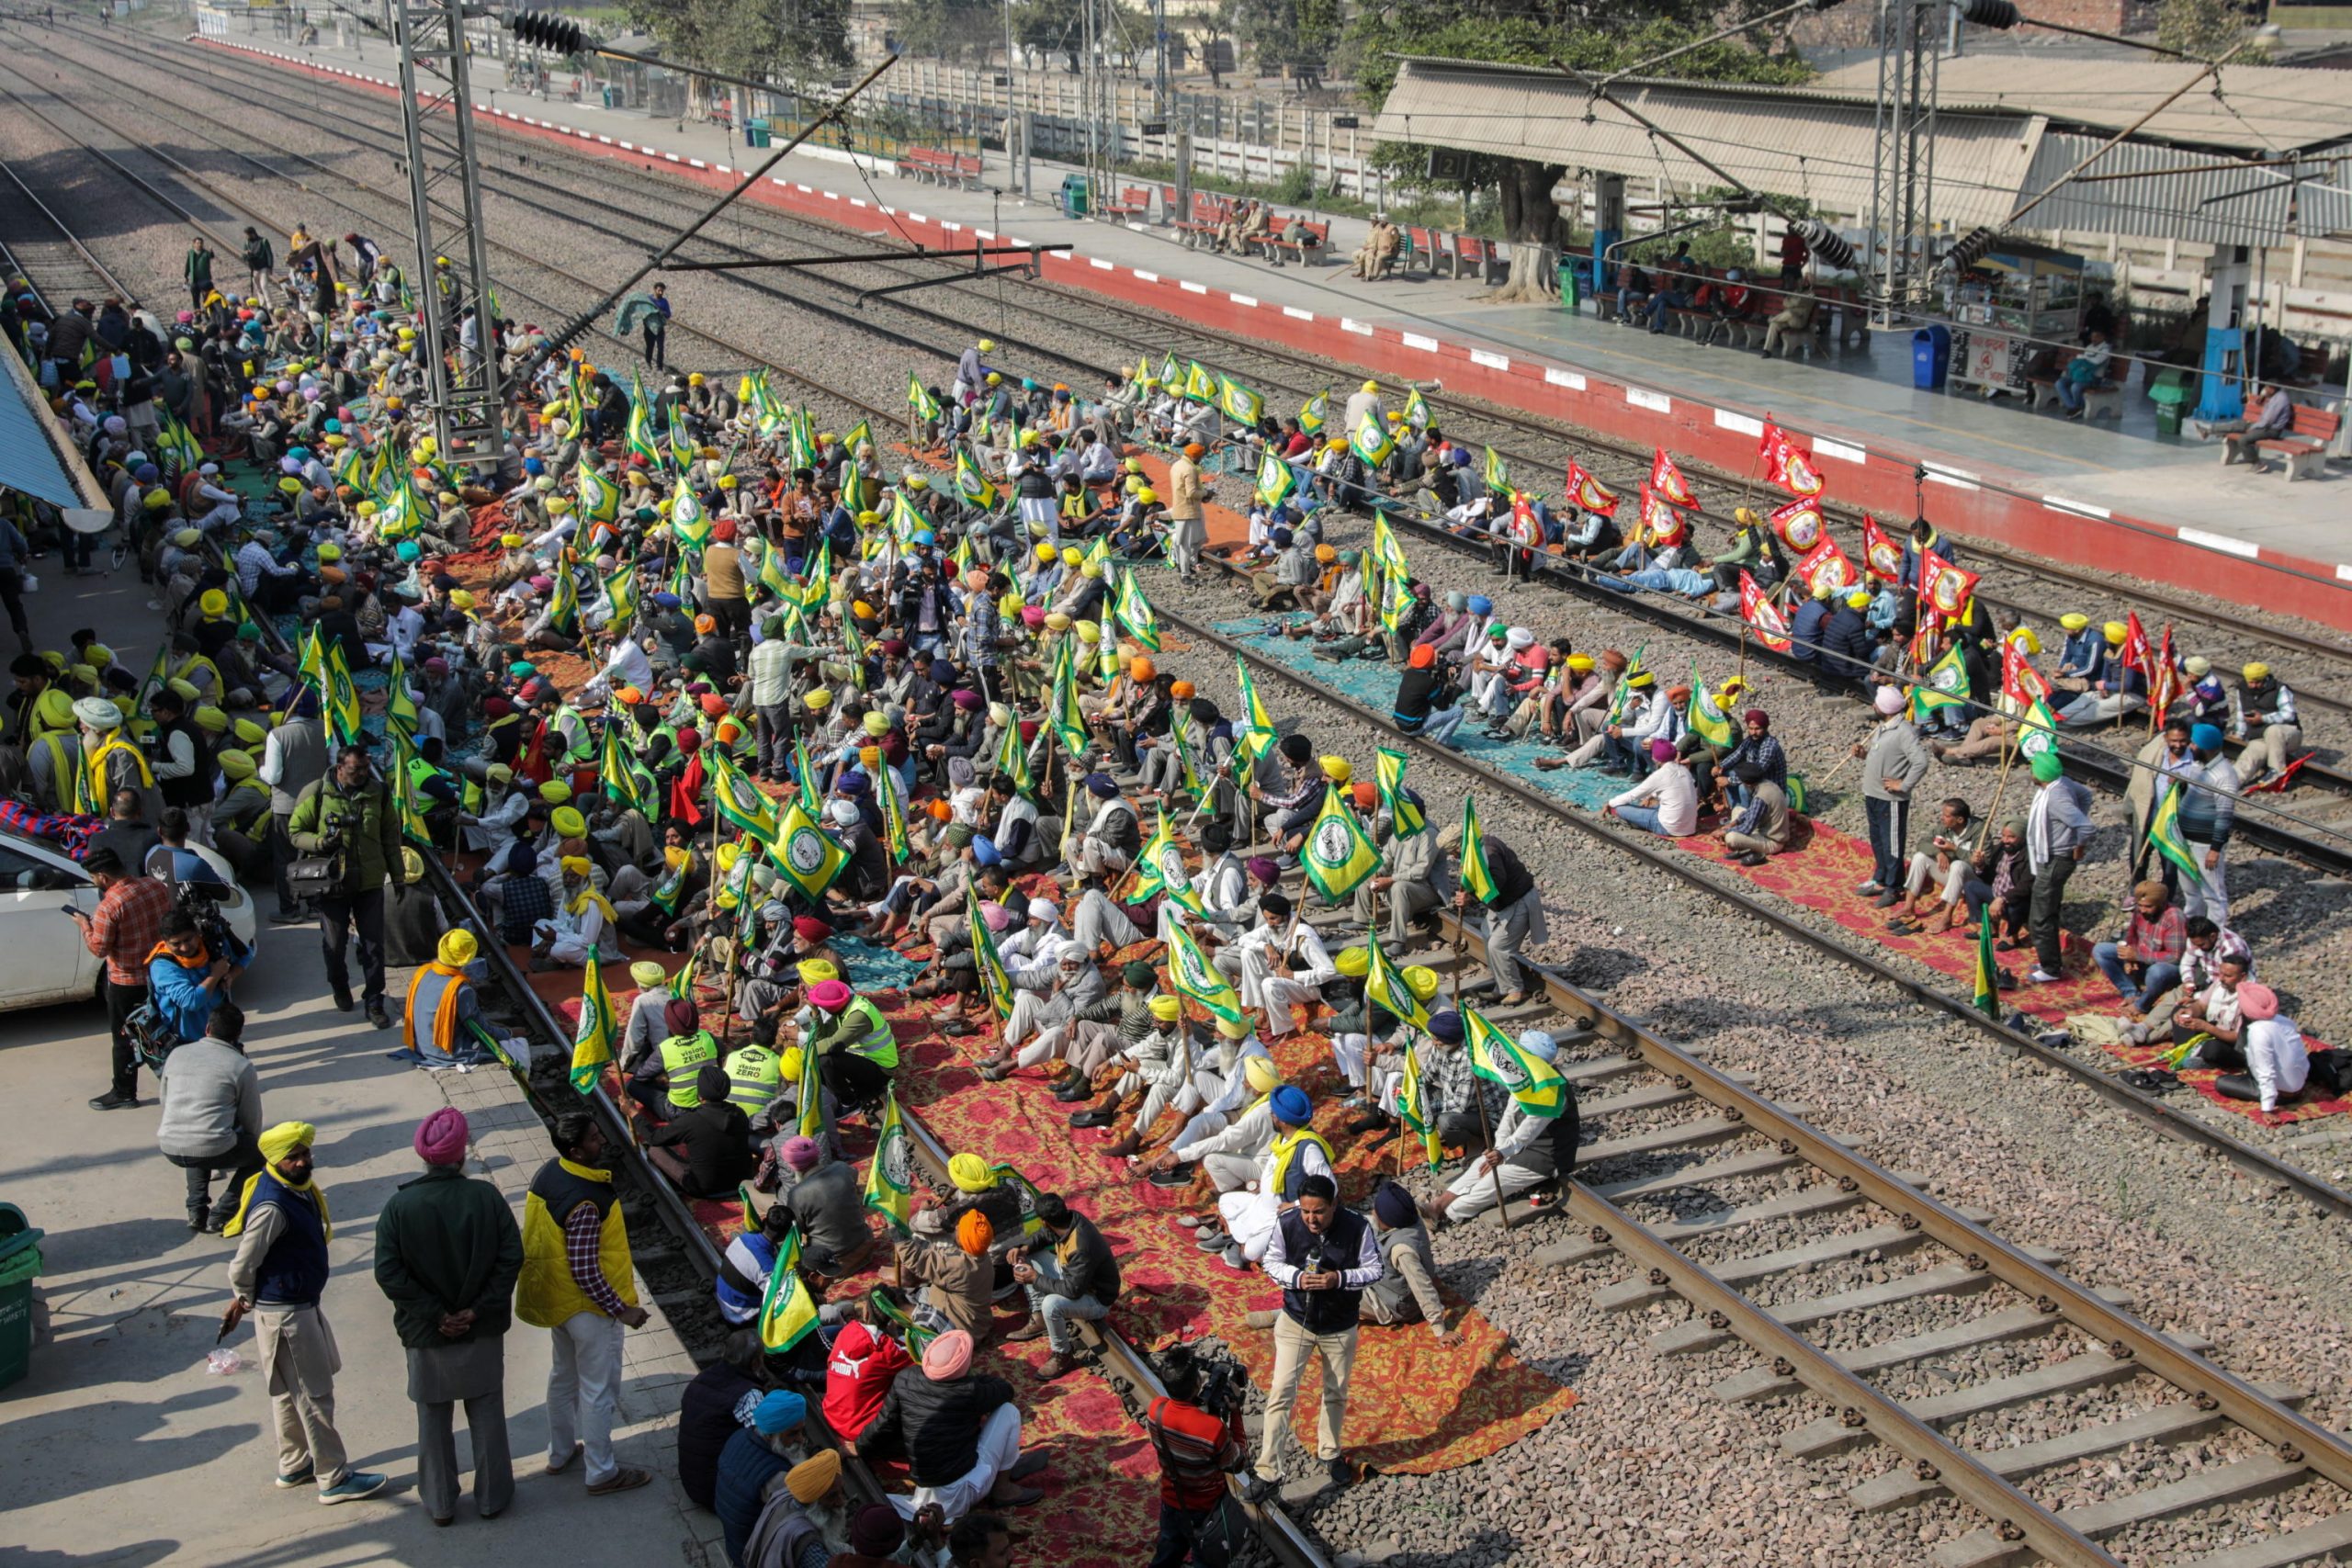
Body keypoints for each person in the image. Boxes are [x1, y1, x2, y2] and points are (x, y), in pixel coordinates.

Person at [220, 1122, 389, 1504]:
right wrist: (244, 1298)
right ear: (276, 1161)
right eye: (293, 1157)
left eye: (304, 1154)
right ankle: (332, 1476)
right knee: (314, 1395)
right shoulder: (272, 1206)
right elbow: (242, 1265)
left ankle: (293, 1464)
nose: (302, 1161)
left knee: (285, 1393)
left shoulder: (293, 1190)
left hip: (291, 1308)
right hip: (288, 1315)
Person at [373, 1108, 525, 1527]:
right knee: (487, 1411)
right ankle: (493, 1497)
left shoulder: (399, 1206)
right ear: (461, 1157)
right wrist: (477, 1309)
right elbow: (511, 1257)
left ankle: (440, 1503)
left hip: (427, 1334)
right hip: (482, 1328)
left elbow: (389, 1273)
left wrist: (437, 1315)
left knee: (433, 1417)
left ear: (424, 1157)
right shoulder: (486, 1198)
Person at [516, 1112, 654, 1496]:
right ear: (575, 1151)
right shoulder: (586, 1201)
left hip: (557, 1299)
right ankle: (601, 1471)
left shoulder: (549, 1173)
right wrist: (621, 1309)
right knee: (598, 1390)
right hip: (588, 1310)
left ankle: (560, 1453)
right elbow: (585, 1269)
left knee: (563, 1377)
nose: (602, 1142)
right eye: (594, 1139)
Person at [1244, 1173, 1380, 1497]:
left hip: (1339, 1325)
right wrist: (1296, 1279)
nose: (1311, 1219)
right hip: (1296, 1322)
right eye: (1306, 1212)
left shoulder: (1358, 1227)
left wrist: (1339, 1279)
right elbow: (1272, 1262)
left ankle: (1330, 1452)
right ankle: (1268, 1470)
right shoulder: (1288, 1222)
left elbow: (1375, 1269)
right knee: (1280, 1393)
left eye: (1318, 1212)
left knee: (1335, 1393)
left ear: (1334, 1204)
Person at [856, 1328, 1046, 1521]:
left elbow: (883, 1423)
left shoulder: (905, 1377)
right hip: (960, 1492)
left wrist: (859, 1447)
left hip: (925, 1489)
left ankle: (1004, 1467)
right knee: (1008, 1412)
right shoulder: (969, 1391)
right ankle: (1003, 1489)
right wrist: (970, 1377)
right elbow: (1005, 1390)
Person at [288, 744, 407, 1027]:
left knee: (373, 945)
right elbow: (295, 832)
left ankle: (374, 1000)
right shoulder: (317, 792)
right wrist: (320, 843)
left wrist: (398, 875)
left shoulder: (379, 793)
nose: (362, 774)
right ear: (340, 768)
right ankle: (339, 984)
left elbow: (391, 835)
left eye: (366, 768)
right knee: (335, 943)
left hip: (369, 881)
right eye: (356, 770)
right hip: (332, 884)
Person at [72, 845, 177, 1111]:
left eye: (95, 878)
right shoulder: (155, 887)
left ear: (103, 877)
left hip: (125, 982)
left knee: (124, 1039)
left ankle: (124, 1092)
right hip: (159, 973)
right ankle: (178, 1083)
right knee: (163, 1032)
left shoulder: (109, 906)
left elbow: (99, 948)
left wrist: (85, 926)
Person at [156, 999, 264, 1233]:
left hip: (169, 1144)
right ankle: (222, 1213)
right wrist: (249, 1141)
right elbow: (252, 1120)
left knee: (197, 1143)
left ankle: (196, 1211)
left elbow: (164, 1099)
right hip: (210, 1146)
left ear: (207, 1028)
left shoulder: (177, 1053)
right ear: (238, 1034)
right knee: (261, 1152)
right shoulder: (241, 1065)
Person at [1142, 1342, 1249, 1568]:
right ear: (1198, 1383)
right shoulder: (1212, 1428)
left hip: (1172, 1500)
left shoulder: (1156, 1409)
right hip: (1205, 1507)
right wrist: (1236, 1412)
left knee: (1168, 1550)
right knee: (1204, 1559)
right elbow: (1237, 1463)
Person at [1005, 1191, 1119, 1380]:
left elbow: (1072, 1291)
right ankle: (1039, 1319)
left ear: (1044, 1220)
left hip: (1095, 1298)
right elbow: (1044, 1235)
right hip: (1074, 1277)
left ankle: (1062, 1354)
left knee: (1051, 1304)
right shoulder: (1068, 1220)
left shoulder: (1082, 1244)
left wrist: (1034, 1278)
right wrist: (1023, 1248)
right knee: (1029, 1255)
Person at [1450, 822, 1544, 1006]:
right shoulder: (1478, 850)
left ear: (1461, 845)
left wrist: (1470, 895)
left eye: (1454, 853)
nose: (1453, 858)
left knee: (1499, 946)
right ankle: (1502, 987)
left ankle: (1516, 989)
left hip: (1518, 901)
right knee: (1487, 934)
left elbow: (1495, 885)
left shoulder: (1489, 853)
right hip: (1503, 904)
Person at [2023, 751, 2096, 986]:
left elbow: (2086, 827)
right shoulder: (2061, 783)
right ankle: (2049, 960)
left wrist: (2078, 843)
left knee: (2041, 915)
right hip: (2051, 856)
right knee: (2047, 910)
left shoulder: (2055, 799)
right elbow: (2086, 795)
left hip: (2055, 859)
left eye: (2033, 769)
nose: (2030, 772)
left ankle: (2051, 968)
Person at [1856, 684, 1928, 904]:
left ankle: (1895, 886)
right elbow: (1883, 757)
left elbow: (1921, 762)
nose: (1873, 705)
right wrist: (1864, 755)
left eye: (1877, 703)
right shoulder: (1883, 727)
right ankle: (1881, 878)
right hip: (1873, 794)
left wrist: (1904, 785)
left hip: (1891, 800)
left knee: (1892, 843)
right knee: (1877, 840)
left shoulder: (1904, 732)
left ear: (1886, 708)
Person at [645, 1062, 757, 1198]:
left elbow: (655, 1138)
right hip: (741, 1182)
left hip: (704, 1188)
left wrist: (634, 1113)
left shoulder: (691, 1121)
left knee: (655, 1150)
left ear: (700, 1095)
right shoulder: (740, 1113)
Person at [2199, 981, 2309, 1114]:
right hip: (2299, 1084)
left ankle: (2252, 1081)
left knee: (2221, 1083)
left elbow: (2266, 1072)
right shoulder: (2283, 1020)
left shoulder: (2258, 1032)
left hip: (2281, 1094)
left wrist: (2267, 1109)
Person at [145, 908, 246, 1046]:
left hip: (220, 1037)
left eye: (188, 939)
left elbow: (245, 956)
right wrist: (215, 975)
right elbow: (191, 1001)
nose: (185, 948)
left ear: (197, 933)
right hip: (185, 1043)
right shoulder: (163, 967)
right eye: (176, 944)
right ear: (165, 942)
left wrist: (230, 975)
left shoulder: (210, 945)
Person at [778, 1135, 876, 1274]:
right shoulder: (842, 1168)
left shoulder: (797, 1194)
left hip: (830, 1262)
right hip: (863, 1245)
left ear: (793, 1166)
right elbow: (854, 1176)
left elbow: (796, 1232)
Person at [2211, 382, 2294, 468]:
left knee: (2244, 440)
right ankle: (2209, 430)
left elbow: (2268, 421)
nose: (2264, 389)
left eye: (2266, 388)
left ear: (2272, 389)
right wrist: (2262, 397)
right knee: (2238, 424)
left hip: (2271, 430)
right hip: (2263, 426)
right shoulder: (2273, 397)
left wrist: (2254, 427)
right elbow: (2264, 417)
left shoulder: (2280, 400)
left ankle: (2257, 463)